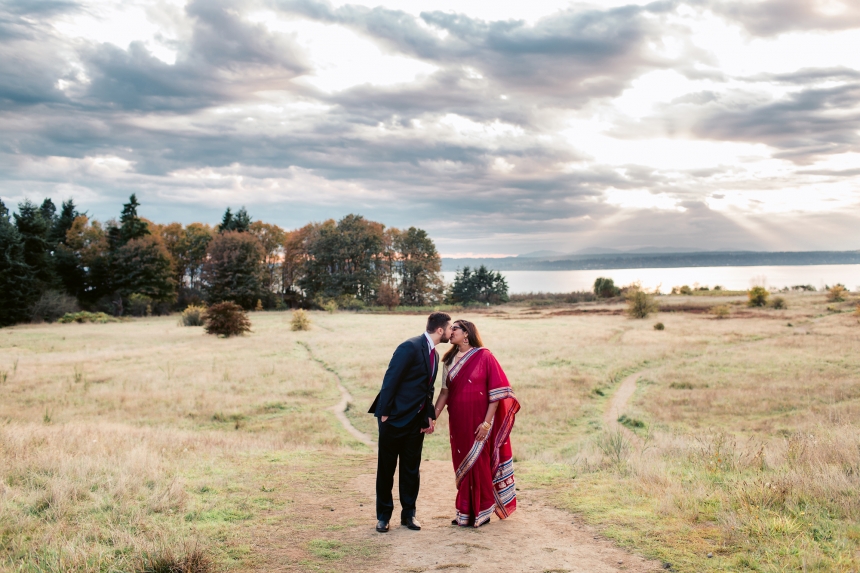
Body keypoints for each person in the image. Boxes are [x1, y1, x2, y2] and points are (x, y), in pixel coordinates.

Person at [368, 312, 452, 533]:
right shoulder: (410, 346)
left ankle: (409, 515)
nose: (452, 332)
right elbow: (391, 378)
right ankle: (383, 517)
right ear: (440, 330)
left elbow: (427, 389)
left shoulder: (434, 354)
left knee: (411, 470)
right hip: (393, 418)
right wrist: (385, 413)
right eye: (450, 328)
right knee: (386, 469)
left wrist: (428, 416)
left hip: (416, 422)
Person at [434, 319, 520, 527]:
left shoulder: (485, 356)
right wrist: (433, 417)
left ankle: (482, 512)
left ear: (467, 334)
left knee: (480, 463)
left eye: (455, 328)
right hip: (458, 421)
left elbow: (496, 394)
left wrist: (487, 424)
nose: (450, 331)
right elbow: (445, 392)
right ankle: (464, 512)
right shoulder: (448, 360)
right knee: (462, 463)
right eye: (451, 328)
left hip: (479, 422)